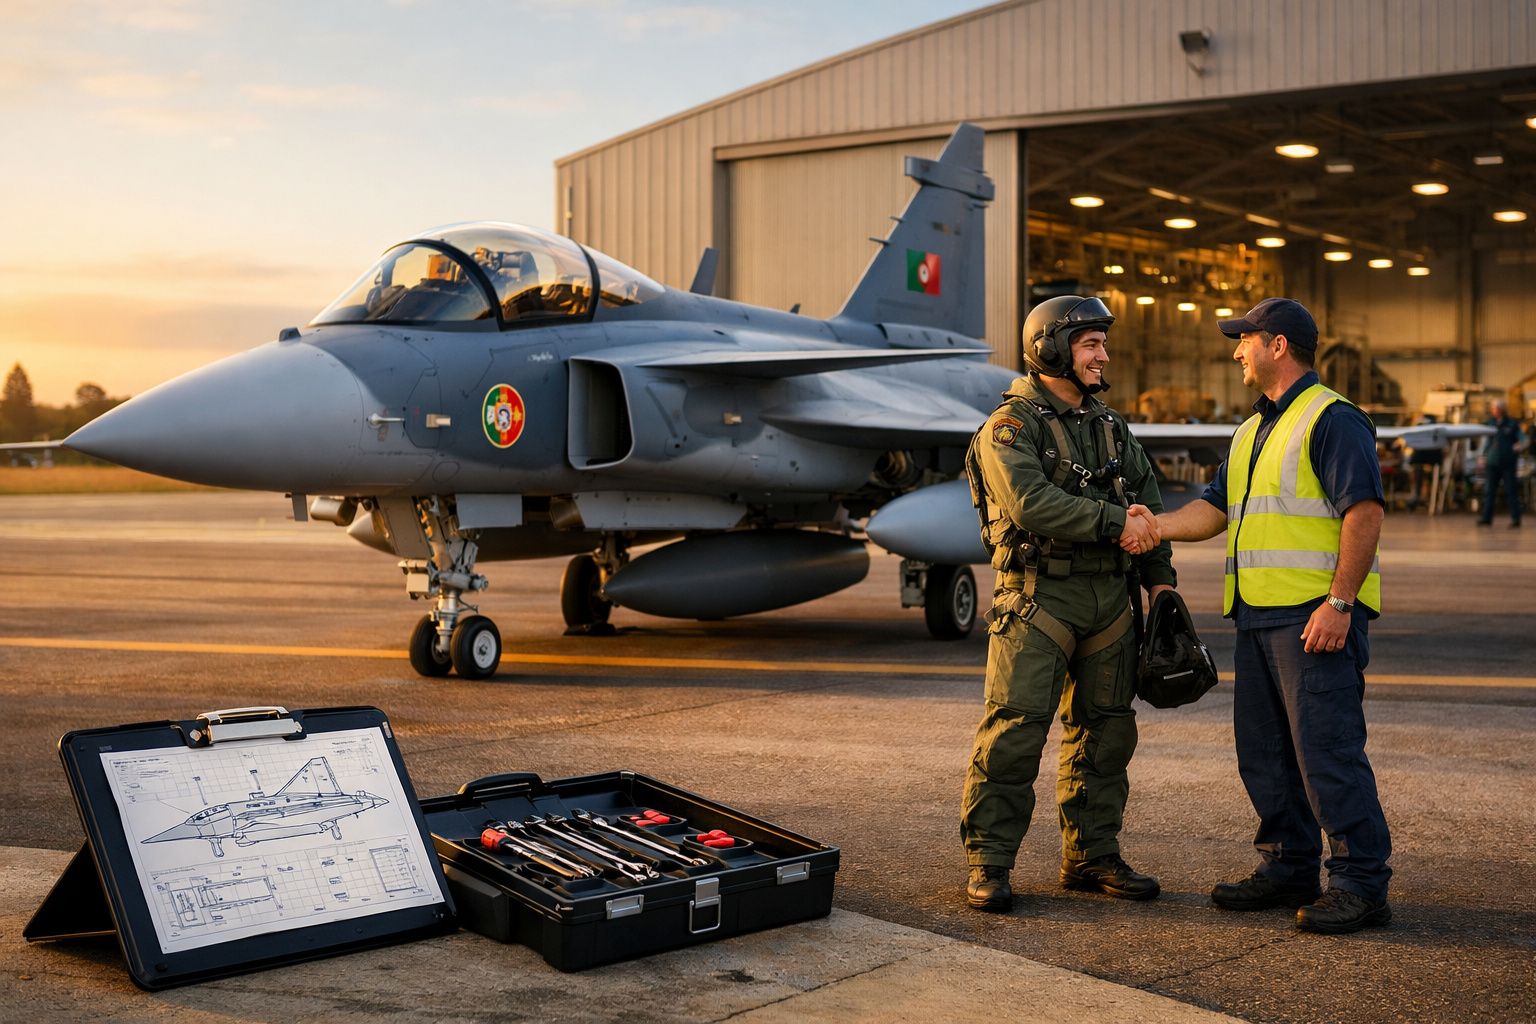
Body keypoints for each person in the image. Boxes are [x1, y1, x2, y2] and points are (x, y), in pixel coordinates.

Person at [1135, 297, 1392, 935]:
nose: (1236, 351)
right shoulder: (1253, 430)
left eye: (1244, 340)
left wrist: (1339, 603)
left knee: (1326, 753)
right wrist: (1155, 525)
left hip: (1313, 619)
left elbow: (1365, 513)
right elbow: (1214, 509)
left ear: (1278, 345)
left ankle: (1361, 883)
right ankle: (1289, 865)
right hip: (1256, 617)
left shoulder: (1332, 419)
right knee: (1267, 754)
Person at [960, 295, 1174, 913]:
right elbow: (1032, 504)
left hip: (1110, 600)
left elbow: (1149, 503)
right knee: (1014, 734)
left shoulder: (1110, 426)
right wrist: (1117, 522)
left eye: (1103, 343)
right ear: (1051, 346)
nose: (1103, 354)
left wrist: (1160, 585)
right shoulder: (1011, 427)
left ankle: (1091, 855)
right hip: (1037, 597)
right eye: (1089, 343)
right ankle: (990, 862)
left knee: (1108, 734)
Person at [1478, 399, 1523, 528]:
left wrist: (1518, 446)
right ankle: (1486, 518)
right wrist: (1482, 456)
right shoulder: (1489, 424)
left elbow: (1524, 439)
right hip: (1492, 463)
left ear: (1502, 409)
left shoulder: (1511, 424)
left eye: (1497, 408)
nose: (1495, 410)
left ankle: (1516, 519)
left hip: (1508, 463)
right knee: (1489, 491)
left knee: (1511, 491)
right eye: (1493, 408)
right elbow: (1486, 442)